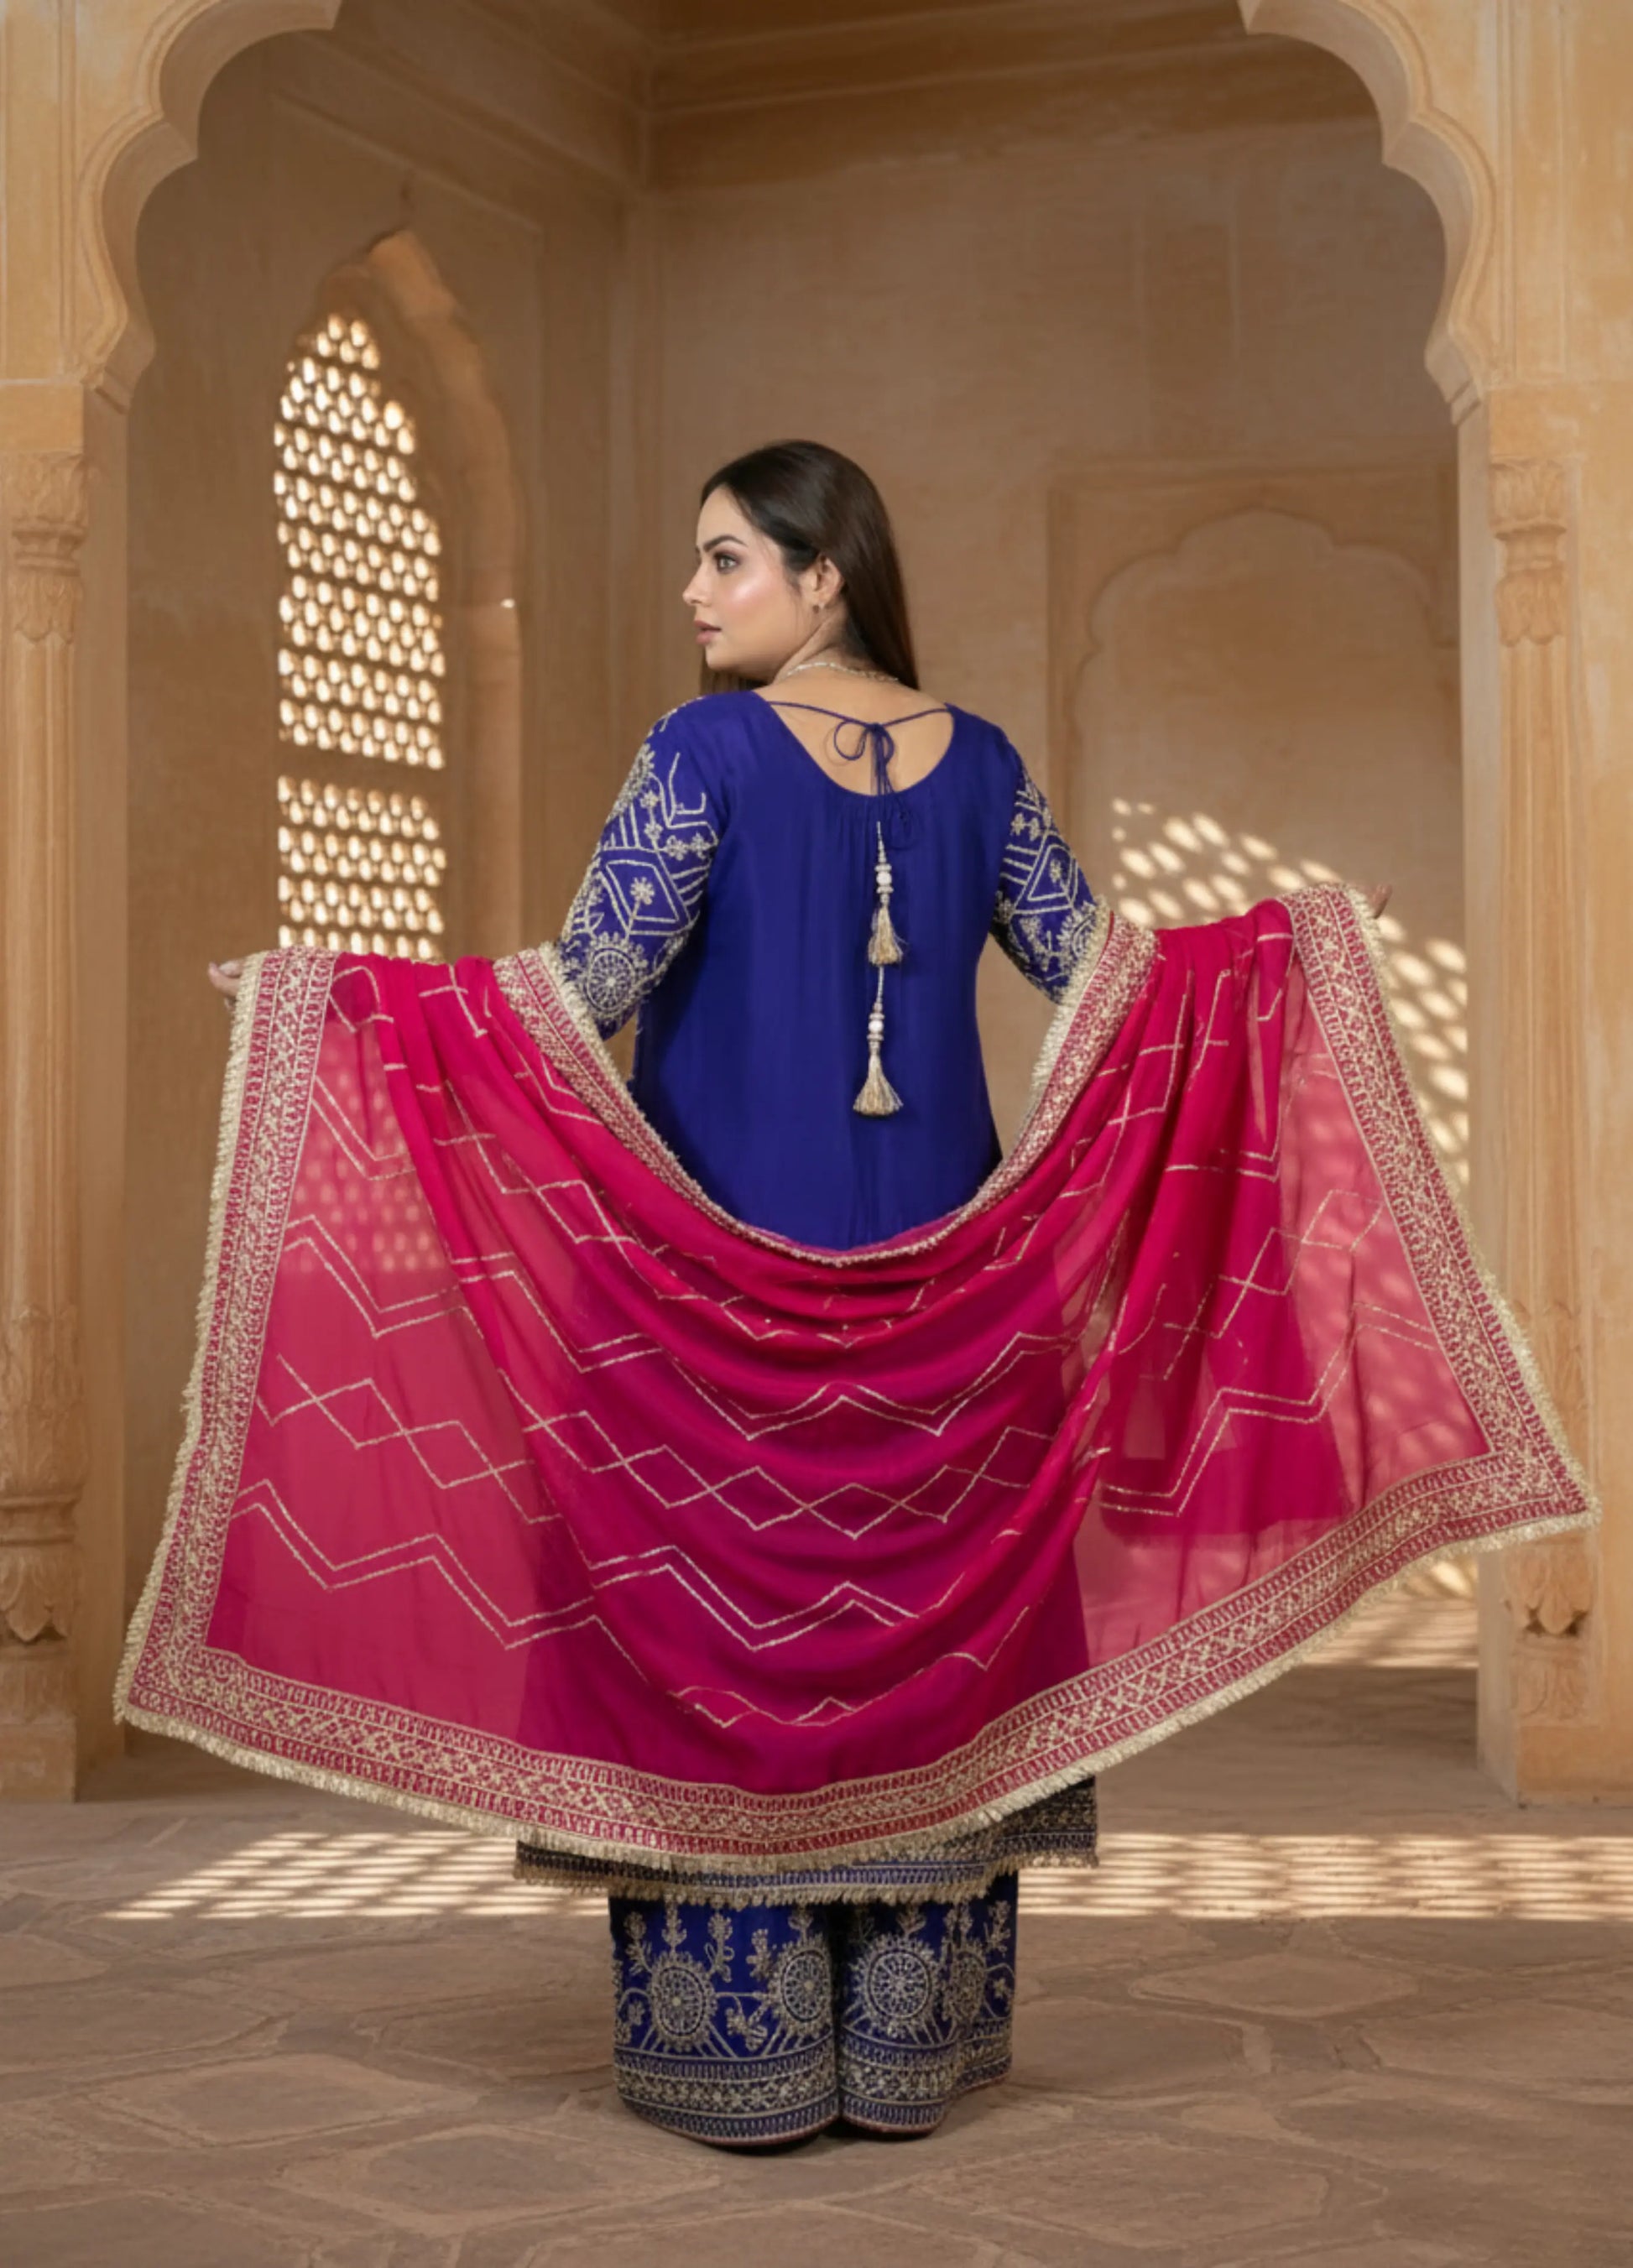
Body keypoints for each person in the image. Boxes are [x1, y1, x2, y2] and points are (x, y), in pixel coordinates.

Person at [201, 444, 1403, 2150]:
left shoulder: (701, 753)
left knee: (719, 1640)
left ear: (822, 572)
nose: (693, 595)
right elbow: (1111, 985)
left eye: (726, 560)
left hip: (708, 1284)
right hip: (959, 1294)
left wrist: (338, 1003)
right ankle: (909, 2050)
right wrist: (1288, 950)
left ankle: (740, 2051)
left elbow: (587, 984)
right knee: (931, 1645)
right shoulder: (980, 761)